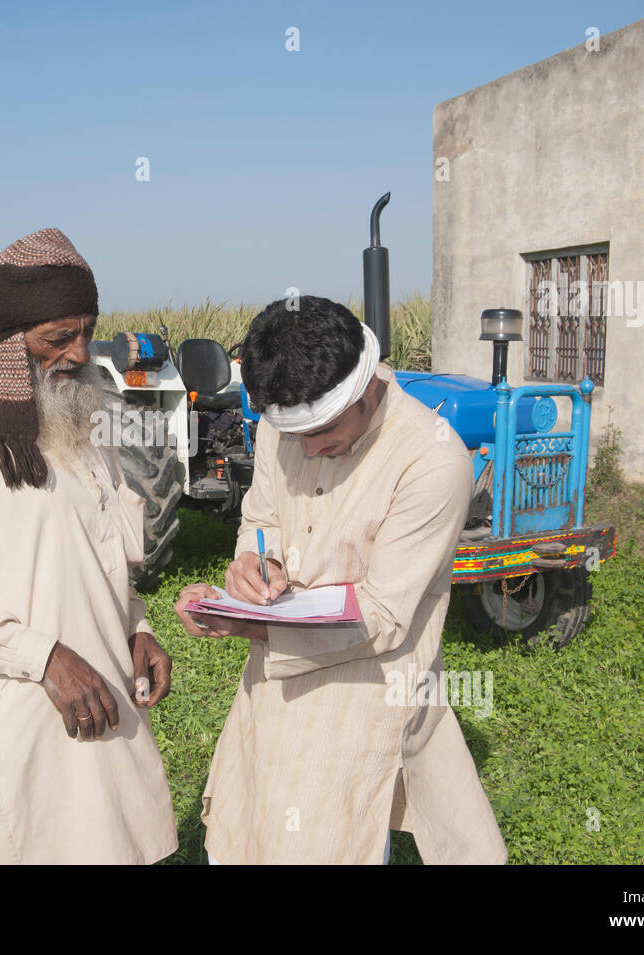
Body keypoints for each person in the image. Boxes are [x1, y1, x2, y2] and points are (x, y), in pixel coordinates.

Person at [173, 295, 508, 865]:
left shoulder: (431, 461)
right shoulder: (287, 424)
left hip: (362, 698)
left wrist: (250, 627)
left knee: (331, 841)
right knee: (253, 833)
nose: (307, 449)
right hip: (273, 688)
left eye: (323, 431)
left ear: (363, 388)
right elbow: (261, 516)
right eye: (291, 434)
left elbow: (381, 616)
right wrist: (259, 565)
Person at [0, 227, 178, 864]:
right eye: (58, 338)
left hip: (104, 699)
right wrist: (45, 658)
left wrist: (136, 625)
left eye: (87, 330)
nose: (80, 353)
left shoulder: (88, 419)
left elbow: (102, 550)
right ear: (9, 343)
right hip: (22, 714)